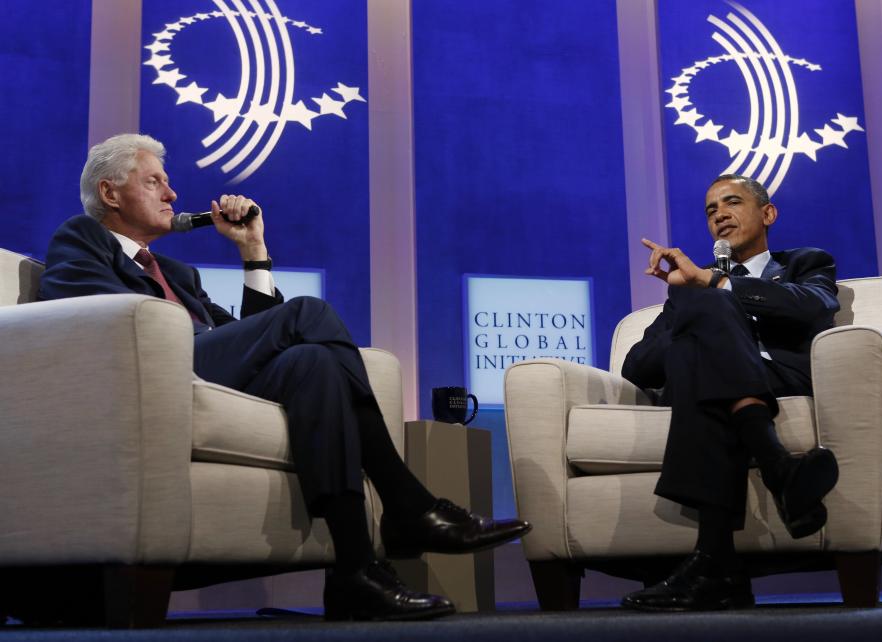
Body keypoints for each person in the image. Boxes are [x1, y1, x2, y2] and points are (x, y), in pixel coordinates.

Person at [39, 133, 531, 622]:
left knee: (312, 363)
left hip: (203, 375)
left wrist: (253, 251)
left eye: (168, 184)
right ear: (109, 194)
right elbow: (96, 323)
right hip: (152, 374)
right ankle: (408, 504)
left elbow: (251, 338)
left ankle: (354, 573)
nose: (172, 195)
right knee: (306, 314)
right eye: (154, 182)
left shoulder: (178, 274)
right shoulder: (81, 240)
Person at [618, 174, 840, 612]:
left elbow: (812, 306)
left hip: (778, 376)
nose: (719, 214)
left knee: (702, 347)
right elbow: (637, 366)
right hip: (722, 383)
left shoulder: (806, 262)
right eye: (710, 210)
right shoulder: (689, 286)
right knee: (695, 353)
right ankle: (776, 465)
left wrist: (718, 287)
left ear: (767, 213)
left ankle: (714, 567)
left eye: (732, 202)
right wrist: (688, 307)